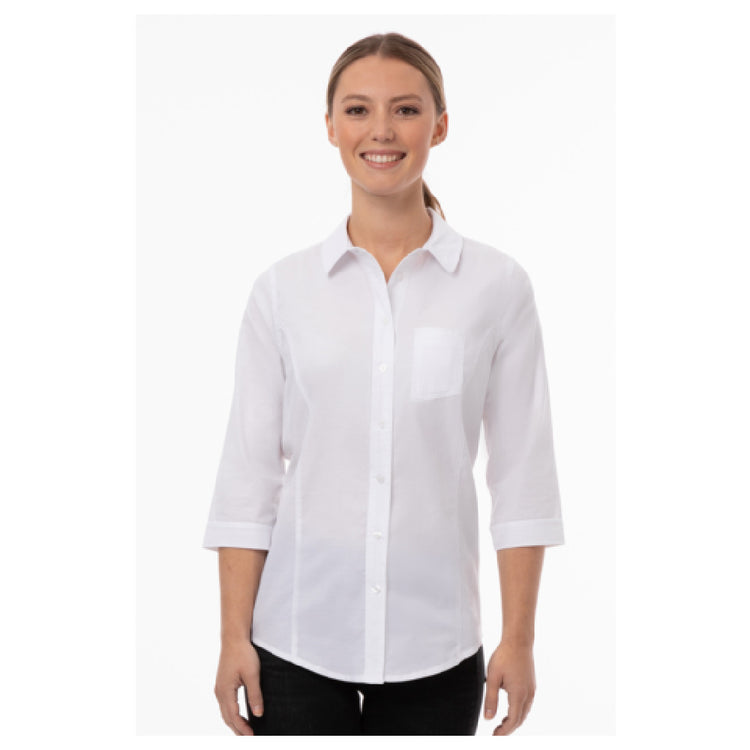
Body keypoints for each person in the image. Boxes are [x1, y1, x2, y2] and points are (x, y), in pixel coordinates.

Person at [201, 31, 565, 736]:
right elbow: (248, 478)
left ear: (440, 125)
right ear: (330, 125)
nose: (382, 131)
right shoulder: (282, 292)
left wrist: (519, 640)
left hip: (440, 649)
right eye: (358, 110)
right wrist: (232, 637)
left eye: (405, 109)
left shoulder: (497, 287)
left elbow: (523, 476)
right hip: (295, 643)